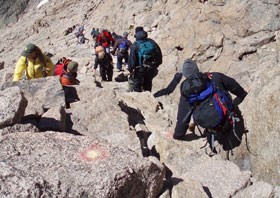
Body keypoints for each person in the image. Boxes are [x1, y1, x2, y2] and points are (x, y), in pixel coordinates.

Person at [173, 59, 248, 140]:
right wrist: (242, 94)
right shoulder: (214, 76)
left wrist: (178, 135)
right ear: (197, 69)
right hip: (227, 118)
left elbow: (182, 118)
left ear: (185, 75)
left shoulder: (186, 92)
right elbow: (233, 85)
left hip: (212, 127)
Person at [128, 26, 162, 92]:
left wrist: (131, 69)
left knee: (137, 84)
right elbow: (158, 53)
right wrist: (156, 64)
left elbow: (132, 59)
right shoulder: (152, 42)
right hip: (151, 67)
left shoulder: (135, 45)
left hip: (139, 68)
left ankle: (139, 99)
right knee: (148, 82)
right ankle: (148, 96)